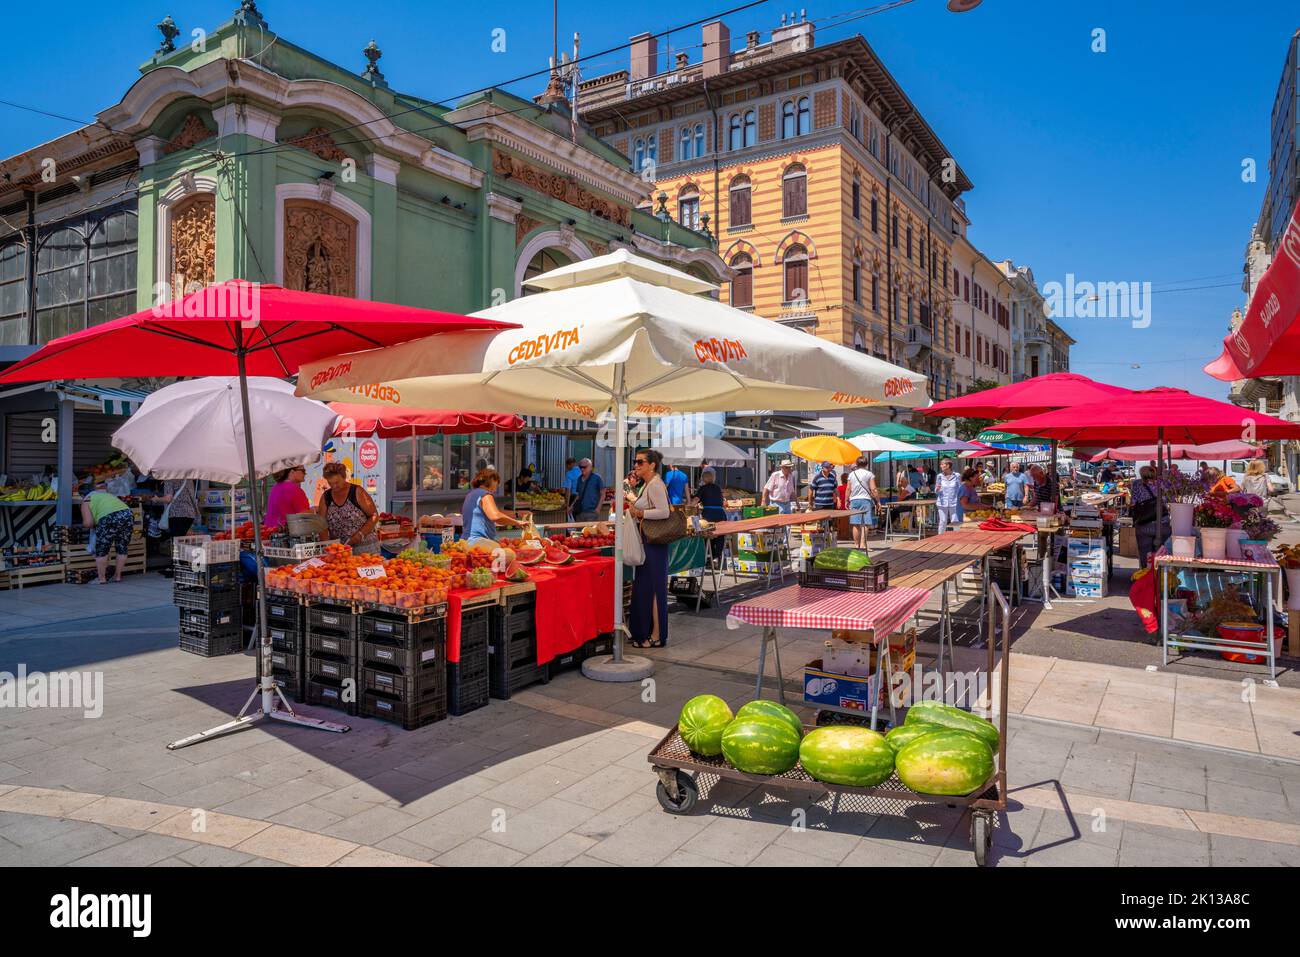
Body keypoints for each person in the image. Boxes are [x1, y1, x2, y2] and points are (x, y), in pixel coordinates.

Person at [628, 449, 671, 649]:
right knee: (647, 587)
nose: (636, 465)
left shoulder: (655, 484)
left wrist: (640, 512)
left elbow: (663, 512)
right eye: (635, 462)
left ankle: (655, 635)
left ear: (652, 465)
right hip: (650, 542)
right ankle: (647, 633)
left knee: (652, 588)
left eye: (640, 462)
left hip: (654, 543)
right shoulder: (649, 484)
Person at [316, 462, 381, 554]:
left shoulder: (357, 492)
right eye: (330, 483)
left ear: (344, 477)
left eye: (337, 482)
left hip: (365, 549)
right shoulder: (326, 497)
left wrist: (360, 535)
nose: (334, 486)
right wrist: (327, 546)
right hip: (339, 552)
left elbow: (374, 516)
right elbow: (321, 524)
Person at [460, 467, 529, 546]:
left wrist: (518, 513)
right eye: (496, 482)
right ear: (491, 481)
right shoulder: (485, 494)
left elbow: (495, 512)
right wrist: (517, 523)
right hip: (480, 543)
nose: (496, 489)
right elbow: (496, 516)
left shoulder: (471, 494)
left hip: (466, 541)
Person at [80, 481, 132, 584]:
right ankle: (117, 577)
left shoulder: (87, 500)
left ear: (82, 495)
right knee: (122, 547)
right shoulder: (106, 494)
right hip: (127, 514)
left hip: (108, 518)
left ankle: (101, 579)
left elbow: (88, 523)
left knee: (102, 549)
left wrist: (89, 524)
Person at [1131, 465, 1168, 567]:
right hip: (1162, 522)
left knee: (1145, 553)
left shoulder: (1136, 484)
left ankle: (1145, 575)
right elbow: (1168, 500)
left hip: (1144, 523)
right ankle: (1160, 576)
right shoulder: (1162, 484)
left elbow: (1133, 502)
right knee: (1162, 553)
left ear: (1141, 474)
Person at [694, 467, 728, 562]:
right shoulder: (717, 488)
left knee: (708, 535)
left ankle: (708, 557)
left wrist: (688, 505)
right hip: (721, 514)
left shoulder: (703, 488)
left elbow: (695, 500)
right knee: (720, 536)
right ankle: (717, 557)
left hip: (709, 515)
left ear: (703, 479)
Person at [846, 456, 880, 549]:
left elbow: (848, 488)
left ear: (857, 464)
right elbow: (873, 489)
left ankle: (856, 545)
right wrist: (878, 501)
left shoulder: (851, 474)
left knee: (855, 523)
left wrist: (846, 500)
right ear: (867, 464)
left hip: (854, 500)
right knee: (865, 523)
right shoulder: (869, 474)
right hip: (865, 500)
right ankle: (863, 544)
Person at [570, 458, 606, 522]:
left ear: (590, 467)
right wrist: (572, 506)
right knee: (580, 532)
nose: (582, 469)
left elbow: (603, 493)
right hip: (580, 512)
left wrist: (598, 509)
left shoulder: (597, 478)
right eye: (580, 467)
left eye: (584, 467)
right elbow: (578, 495)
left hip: (592, 512)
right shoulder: (579, 479)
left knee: (590, 531)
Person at [933, 457, 962, 533]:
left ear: (948, 465)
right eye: (941, 464)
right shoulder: (939, 476)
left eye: (942, 464)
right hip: (942, 502)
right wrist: (937, 489)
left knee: (955, 521)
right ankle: (940, 539)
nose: (940, 466)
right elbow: (936, 491)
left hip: (954, 502)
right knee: (942, 521)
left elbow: (960, 489)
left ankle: (957, 539)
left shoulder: (957, 475)